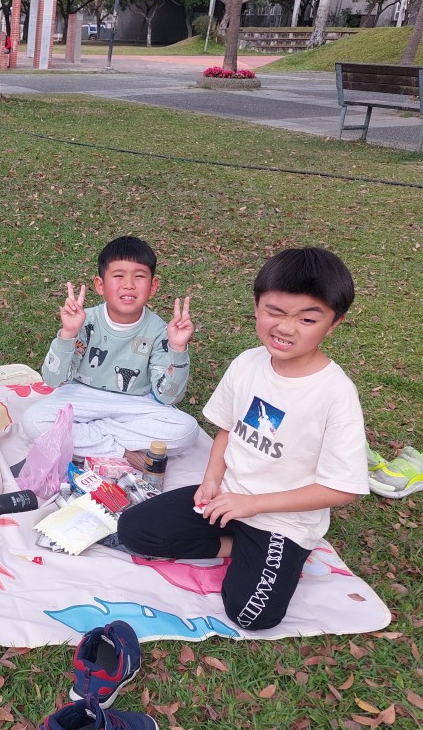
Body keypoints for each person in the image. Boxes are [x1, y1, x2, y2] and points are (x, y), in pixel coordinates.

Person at [116, 247, 369, 631]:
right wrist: (212, 480)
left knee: (250, 613)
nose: (286, 328)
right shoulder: (248, 363)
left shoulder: (335, 393)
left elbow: (342, 488)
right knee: (133, 531)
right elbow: (228, 429)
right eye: (275, 312)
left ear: (334, 323)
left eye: (307, 318)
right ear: (256, 306)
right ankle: (235, 545)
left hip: (280, 521)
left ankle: (281, 554)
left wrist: (252, 504)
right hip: (227, 497)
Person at [22, 235, 198, 469]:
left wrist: (177, 348)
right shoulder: (84, 321)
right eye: (118, 276)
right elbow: (53, 380)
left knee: (187, 430)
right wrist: (68, 333)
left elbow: (168, 397)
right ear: (100, 285)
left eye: (139, 276)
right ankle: (120, 452)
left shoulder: (160, 330)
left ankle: (90, 438)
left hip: (135, 404)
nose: (129, 284)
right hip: (81, 396)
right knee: (33, 421)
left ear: (153, 286)